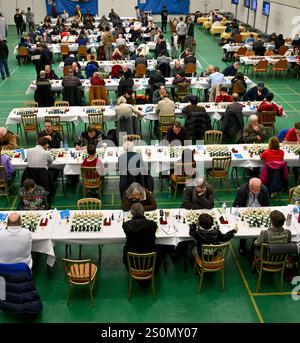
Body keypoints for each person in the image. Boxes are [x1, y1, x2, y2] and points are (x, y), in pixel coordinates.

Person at [233, 178, 270, 255]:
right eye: (254, 190)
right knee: (243, 229)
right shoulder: (242, 190)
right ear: (249, 186)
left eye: (258, 189)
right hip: (246, 211)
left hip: (260, 211)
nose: (256, 192)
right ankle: (242, 245)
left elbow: (267, 205)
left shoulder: (264, 189)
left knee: (260, 229)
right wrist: (243, 212)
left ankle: (255, 244)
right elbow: (236, 204)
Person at [122, 202, 158, 271]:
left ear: (131, 213)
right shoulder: (152, 224)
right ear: (144, 212)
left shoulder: (126, 225)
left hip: (131, 262)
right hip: (150, 262)